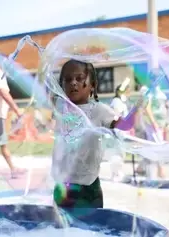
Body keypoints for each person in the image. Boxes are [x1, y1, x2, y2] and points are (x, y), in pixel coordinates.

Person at [52, 59, 122, 209]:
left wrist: (134, 113)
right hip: (63, 186)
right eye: (68, 79)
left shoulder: (99, 110)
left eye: (79, 78)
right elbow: (46, 88)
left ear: (92, 85)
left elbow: (119, 125)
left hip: (88, 186)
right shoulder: (60, 107)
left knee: (91, 229)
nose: (73, 83)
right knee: (63, 229)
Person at [135, 85, 167, 178]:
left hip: (160, 123)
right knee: (158, 146)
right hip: (152, 123)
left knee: (152, 146)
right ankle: (160, 171)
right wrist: (154, 123)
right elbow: (147, 107)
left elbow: (164, 106)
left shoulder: (159, 89)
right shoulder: (148, 90)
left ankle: (140, 168)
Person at [108, 83, 130, 181]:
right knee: (118, 153)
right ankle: (116, 174)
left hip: (120, 131)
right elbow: (116, 115)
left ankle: (116, 173)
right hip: (117, 131)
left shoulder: (120, 102)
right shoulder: (117, 101)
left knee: (119, 153)